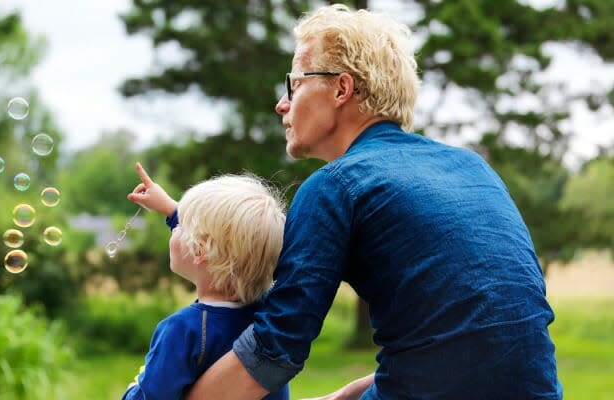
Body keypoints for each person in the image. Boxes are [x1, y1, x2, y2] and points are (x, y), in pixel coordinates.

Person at [186, 4, 562, 400]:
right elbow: (480, 335)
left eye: (293, 83)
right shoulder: (472, 167)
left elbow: (277, 345)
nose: (282, 103)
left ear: (341, 89)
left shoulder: (335, 186)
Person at [121, 162, 289, 400]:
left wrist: (132, 389)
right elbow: (217, 239)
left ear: (199, 250)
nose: (175, 227)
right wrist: (170, 208)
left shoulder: (183, 331)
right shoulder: (271, 319)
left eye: (180, 225)